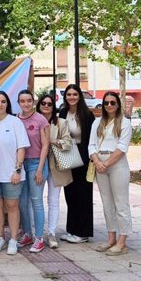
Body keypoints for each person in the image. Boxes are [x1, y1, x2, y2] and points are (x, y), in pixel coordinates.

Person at [89, 91, 133, 256]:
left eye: (112, 103)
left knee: (121, 203)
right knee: (107, 203)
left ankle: (122, 242)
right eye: (106, 103)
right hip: (100, 165)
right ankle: (111, 238)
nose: (109, 106)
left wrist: (106, 163)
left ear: (118, 104)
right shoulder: (97, 123)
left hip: (117, 165)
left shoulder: (124, 123)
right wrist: (97, 162)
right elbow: (91, 145)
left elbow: (122, 147)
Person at [0, 91, 29, 255]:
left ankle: (13, 239)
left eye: (3, 101)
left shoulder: (15, 122)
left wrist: (17, 170)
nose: (0, 104)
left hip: (12, 173)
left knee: (12, 206)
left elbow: (21, 147)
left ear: (7, 104)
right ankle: (0, 237)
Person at [58, 84, 96, 243]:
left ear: (79, 96)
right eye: (68, 94)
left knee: (83, 195)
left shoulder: (87, 115)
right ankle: (72, 229)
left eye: (74, 94)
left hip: (83, 157)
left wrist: (89, 159)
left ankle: (83, 232)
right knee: (70, 194)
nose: (71, 97)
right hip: (67, 155)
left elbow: (91, 139)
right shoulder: (63, 112)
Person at [37, 94, 72, 249]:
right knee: (35, 200)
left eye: (49, 104)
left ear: (53, 106)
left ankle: (51, 233)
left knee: (54, 200)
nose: (46, 106)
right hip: (37, 164)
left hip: (56, 165)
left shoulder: (61, 123)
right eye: (43, 103)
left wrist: (52, 142)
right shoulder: (33, 121)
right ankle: (36, 232)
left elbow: (68, 143)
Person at [17, 90, 50, 253]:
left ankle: (39, 238)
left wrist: (39, 169)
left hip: (37, 163)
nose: (26, 104)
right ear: (19, 103)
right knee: (22, 203)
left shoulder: (40, 120)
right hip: (21, 164)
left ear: (33, 101)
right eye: (22, 101)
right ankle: (27, 234)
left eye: (29, 100)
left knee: (36, 201)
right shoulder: (15, 119)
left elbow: (45, 145)